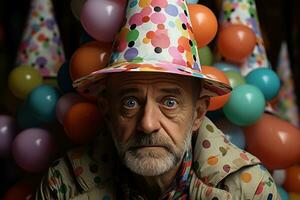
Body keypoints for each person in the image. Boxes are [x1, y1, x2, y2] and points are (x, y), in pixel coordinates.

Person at [35, 0, 279, 199]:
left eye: (169, 102)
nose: (148, 124)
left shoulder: (248, 189)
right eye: (130, 102)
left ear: (198, 113)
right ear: (107, 112)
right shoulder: (65, 184)